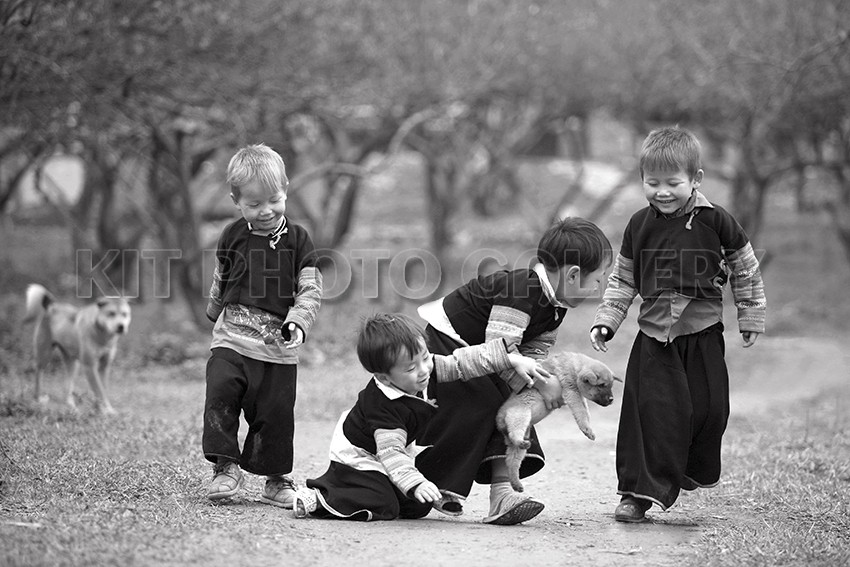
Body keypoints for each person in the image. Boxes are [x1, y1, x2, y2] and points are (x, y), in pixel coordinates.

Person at [590, 126, 766, 523]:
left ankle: (683, 467)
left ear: (696, 179)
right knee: (647, 415)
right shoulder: (638, 225)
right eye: (652, 183)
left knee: (710, 411)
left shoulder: (717, 221)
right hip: (654, 337)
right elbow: (623, 279)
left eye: (673, 183)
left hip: (703, 333)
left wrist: (750, 313)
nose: (662, 192)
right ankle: (636, 494)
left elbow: (745, 269)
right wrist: (607, 321)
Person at [416, 217, 613, 525]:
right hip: (449, 345)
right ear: (573, 275)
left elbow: (534, 353)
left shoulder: (555, 306)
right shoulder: (521, 291)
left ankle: (502, 494)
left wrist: (541, 383)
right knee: (484, 404)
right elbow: (501, 351)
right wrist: (542, 385)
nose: (599, 288)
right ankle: (428, 483)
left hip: (487, 353)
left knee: (515, 405)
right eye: (598, 280)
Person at [292, 313, 551, 521]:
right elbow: (391, 452)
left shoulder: (425, 370)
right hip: (361, 458)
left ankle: (401, 492)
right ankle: (320, 498)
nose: (424, 370)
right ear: (384, 377)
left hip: (391, 454)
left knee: (417, 506)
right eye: (411, 368)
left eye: (425, 357)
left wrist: (508, 359)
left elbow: (463, 362)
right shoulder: (383, 409)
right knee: (383, 503)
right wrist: (416, 483)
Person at [202, 143, 322, 508]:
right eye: (254, 204)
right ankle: (225, 467)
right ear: (236, 201)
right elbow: (222, 276)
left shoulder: (299, 240)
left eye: (274, 200)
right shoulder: (232, 235)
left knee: (276, 414)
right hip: (231, 338)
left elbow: (310, 289)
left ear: (285, 189)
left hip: (277, 348)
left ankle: (275, 479)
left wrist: (299, 321)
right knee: (220, 393)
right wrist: (214, 309)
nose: (266, 210)